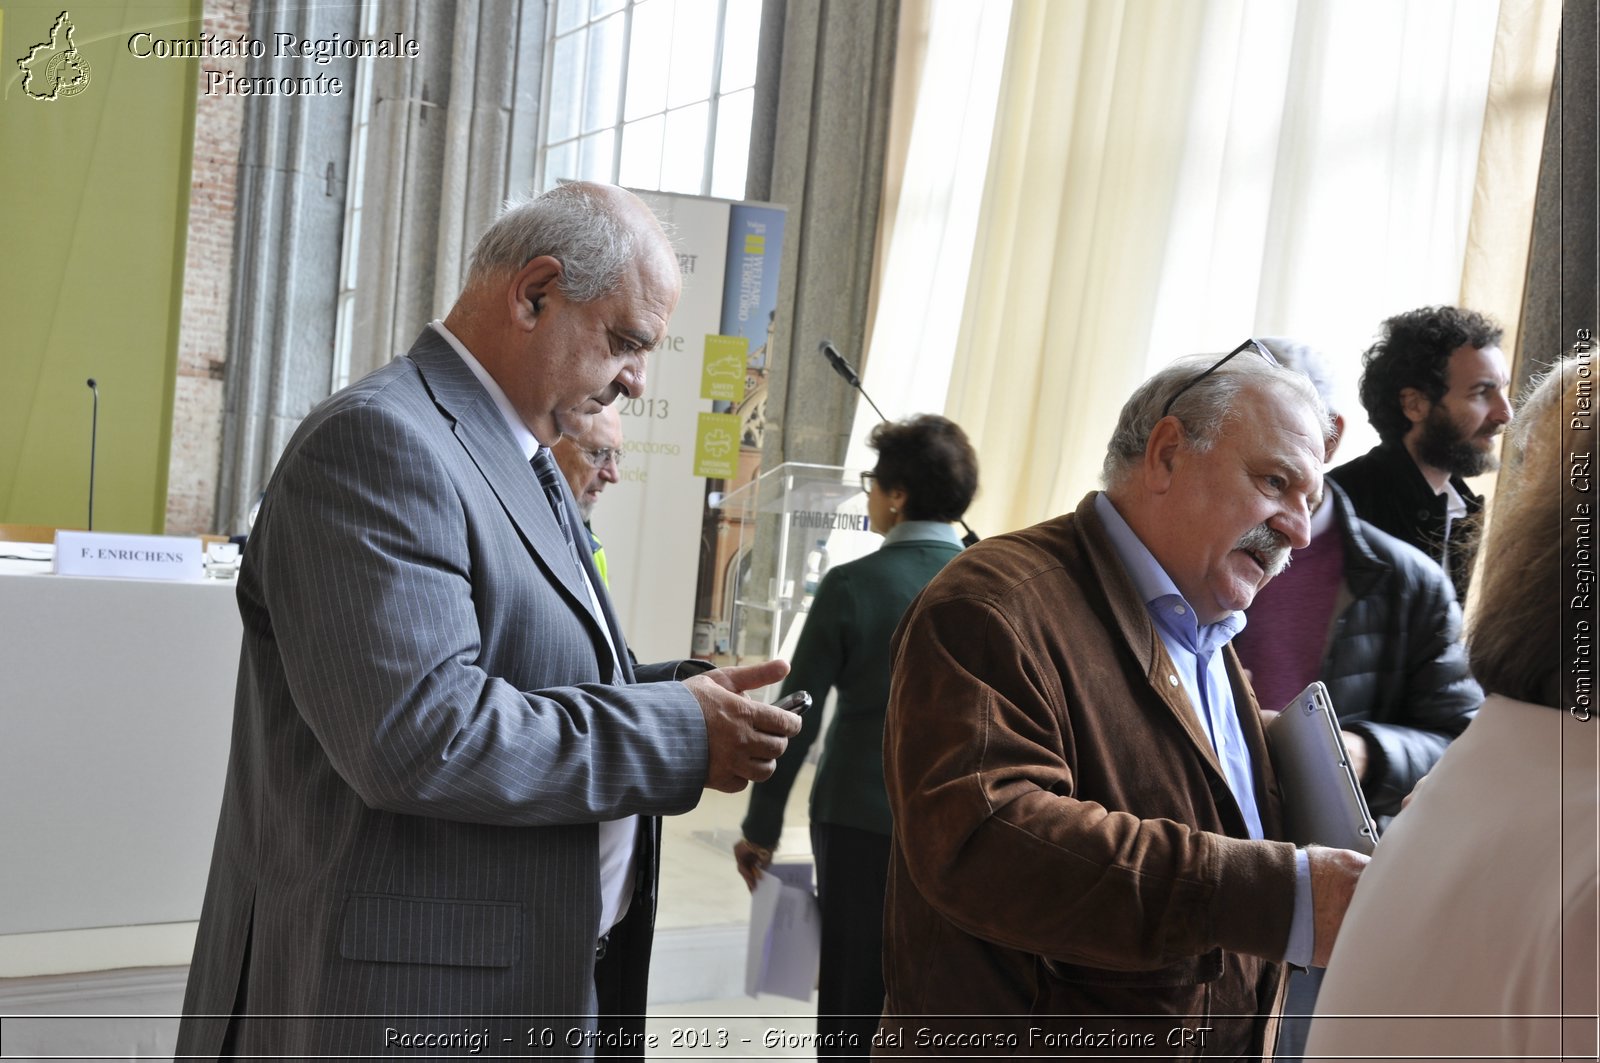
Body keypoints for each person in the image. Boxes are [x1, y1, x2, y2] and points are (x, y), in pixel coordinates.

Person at [175, 182, 803, 1059]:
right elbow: (417, 732)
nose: (637, 378)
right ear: (534, 292)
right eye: (625, 341)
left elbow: (524, 674)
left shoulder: (516, 451)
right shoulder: (379, 443)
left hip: (516, 977)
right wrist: (679, 733)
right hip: (402, 998)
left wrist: (683, 693)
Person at [878, 342, 1370, 1057]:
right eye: (1274, 482)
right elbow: (983, 839)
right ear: (1168, 454)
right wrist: (1281, 894)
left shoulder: (1208, 633)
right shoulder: (992, 601)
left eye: (1310, 503)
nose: (1297, 528)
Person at [1306, 355, 1598, 1060]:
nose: (1498, 414)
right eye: (1480, 392)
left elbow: (1445, 721)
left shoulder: (1497, 758)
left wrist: (1372, 750)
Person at [1232, 339, 1483, 1061]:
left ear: (1332, 436)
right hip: (1196, 867)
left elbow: (1462, 738)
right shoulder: (1187, 552)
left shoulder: (1407, 580)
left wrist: (1364, 749)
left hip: (1328, 888)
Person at [733, 414, 979, 1059]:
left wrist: (760, 826)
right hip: (960, 820)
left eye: (873, 483)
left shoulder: (853, 585)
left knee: (849, 985)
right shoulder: (988, 582)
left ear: (896, 495)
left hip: (856, 816)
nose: (869, 496)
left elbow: (795, 713)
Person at [1327, 306, 1511, 601]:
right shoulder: (1336, 506)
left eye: (1503, 390)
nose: (1505, 413)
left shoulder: (1462, 507)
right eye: (1481, 393)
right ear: (1414, 404)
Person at [553, 403, 624, 583]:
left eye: (616, 455)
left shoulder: (591, 547)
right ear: (550, 445)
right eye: (600, 454)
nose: (614, 475)